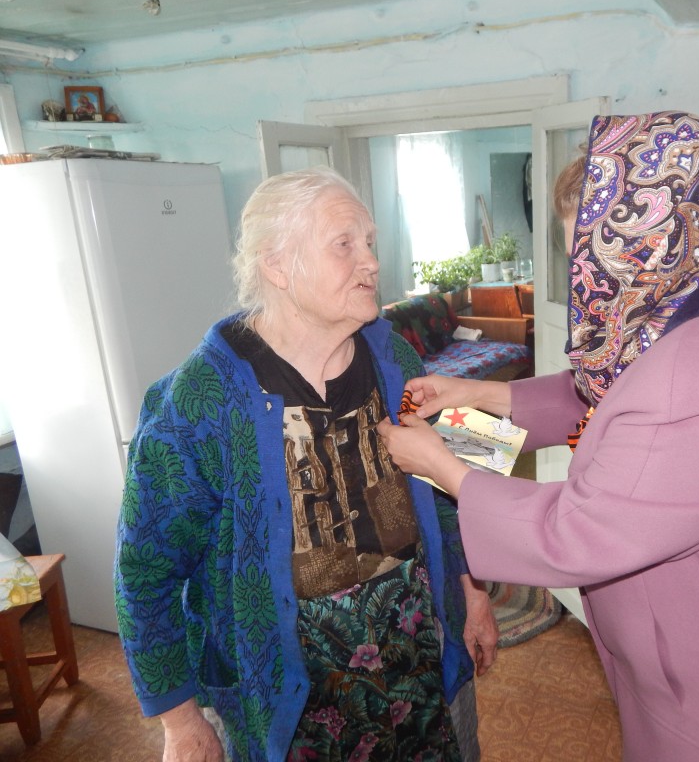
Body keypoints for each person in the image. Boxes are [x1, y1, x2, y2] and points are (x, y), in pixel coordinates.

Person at [378, 112, 699, 761]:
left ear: (648, 241)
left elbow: (573, 534)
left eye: (591, 256)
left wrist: (441, 464)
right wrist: (476, 399)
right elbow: (606, 397)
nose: (583, 278)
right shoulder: (697, 296)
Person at [114, 166, 498, 762]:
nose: (371, 261)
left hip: (420, 674)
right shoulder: (197, 402)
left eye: (369, 242)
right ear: (277, 265)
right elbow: (145, 573)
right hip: (291, 713)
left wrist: (475, 594)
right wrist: (179, 720)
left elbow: (461, 483)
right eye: (344, 244)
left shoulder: (394, 354)